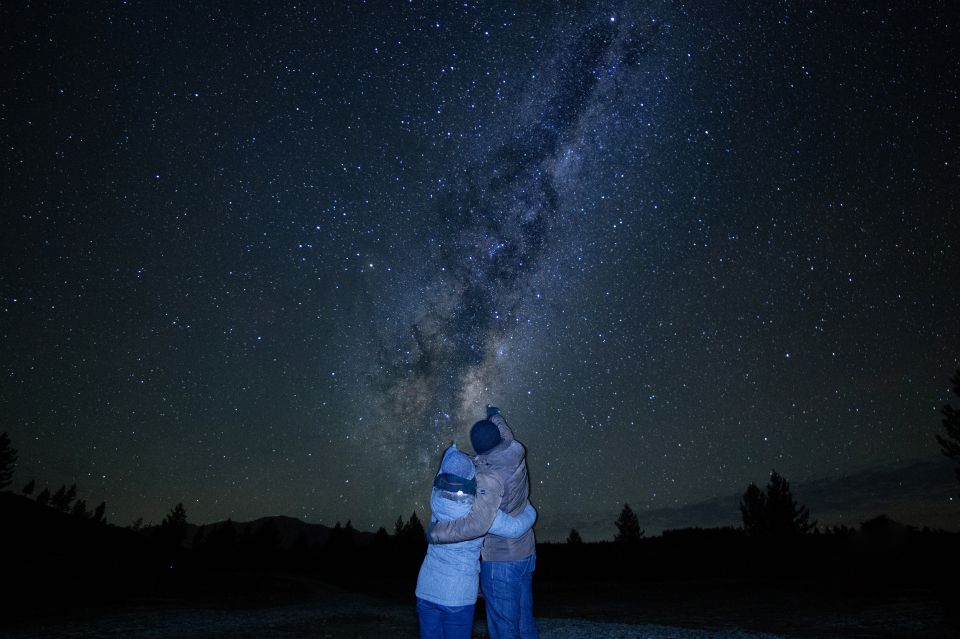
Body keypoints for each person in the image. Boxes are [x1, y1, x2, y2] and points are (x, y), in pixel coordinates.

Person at [428, 406, 538, 639]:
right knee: (525, 623)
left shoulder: (490, 478)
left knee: (504, 628)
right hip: (526, 552)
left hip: (502, 561)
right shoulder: (514, 447)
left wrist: (438, 533)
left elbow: (478, 524)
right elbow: (503, 429)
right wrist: (494, 414)